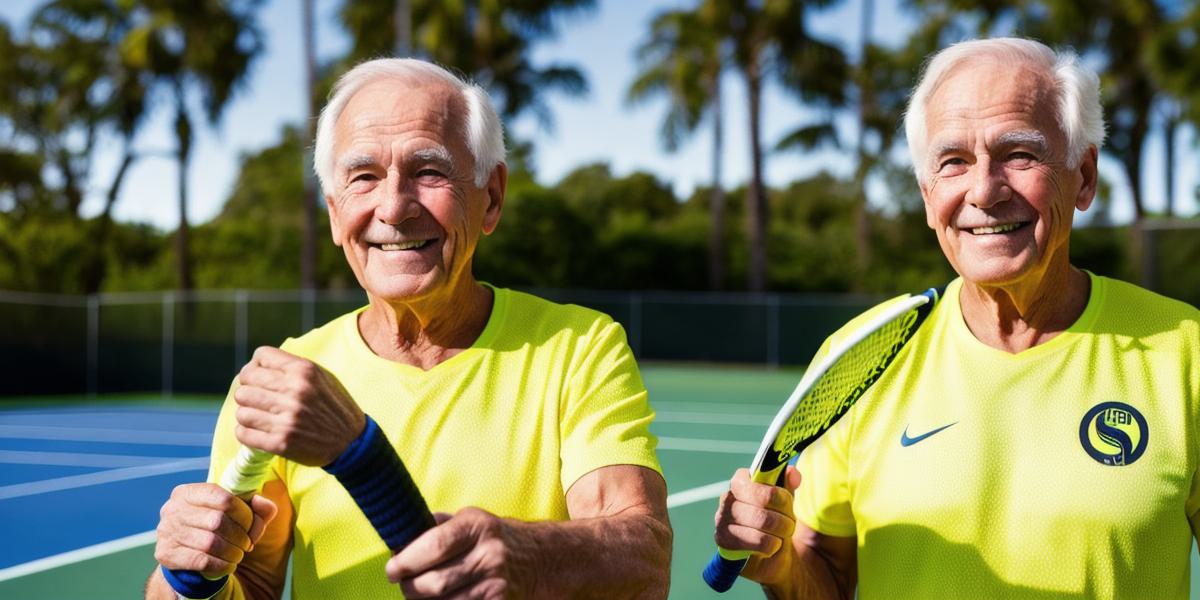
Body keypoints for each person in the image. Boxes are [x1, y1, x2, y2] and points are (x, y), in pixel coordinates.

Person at [146, 58, 672, 599]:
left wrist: (530, 558)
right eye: (363, 177)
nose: (393, 207)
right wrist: (190, 576)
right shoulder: (278, 385)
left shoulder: (579, 348)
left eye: (429, 171)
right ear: (333, 212)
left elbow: (645, 560)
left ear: (490, 197)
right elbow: (250, 584)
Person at [713, 37, 1200, 599]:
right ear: (927, 195)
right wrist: (778, 567)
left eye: (1020, 154)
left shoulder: (1186, 355)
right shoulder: (861, 356)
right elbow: (825, 571)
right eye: (954, 162)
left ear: (1083, 176)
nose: (985, 191)